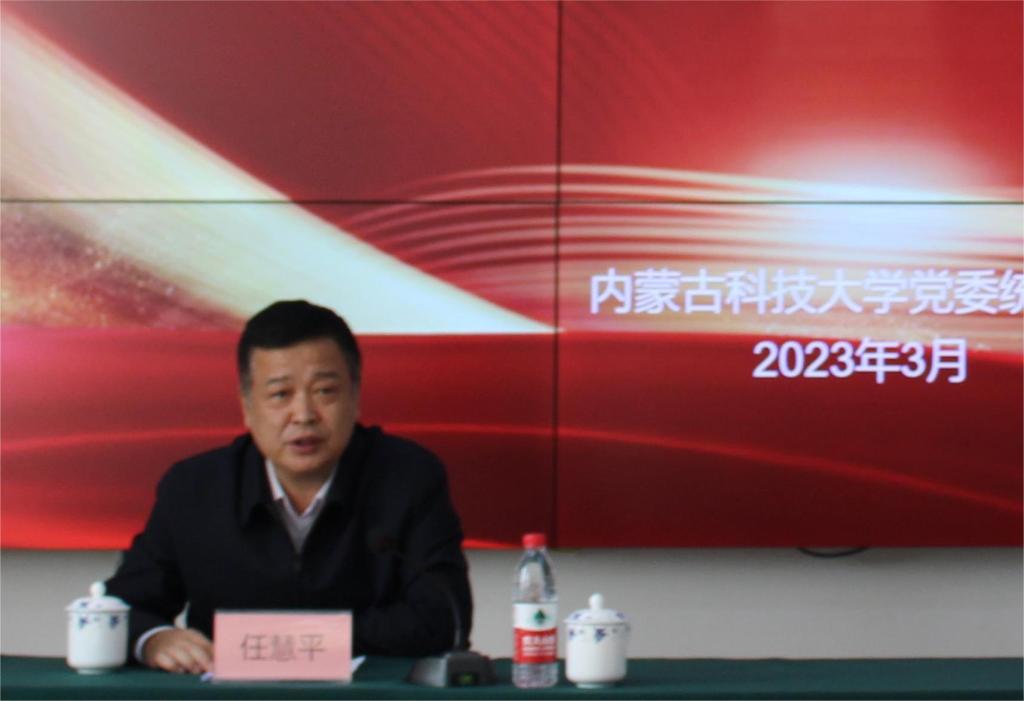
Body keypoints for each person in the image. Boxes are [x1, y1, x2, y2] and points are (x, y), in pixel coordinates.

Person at [105, 300, 472, 673]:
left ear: (355, 397)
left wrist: (284, 642)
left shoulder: (408, 477)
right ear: (247, 407)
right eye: (281, 394)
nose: (304, 415)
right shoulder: (194, 489)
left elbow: (443, 618)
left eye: (325, 391)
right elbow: (120, 608)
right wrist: (154, 639)